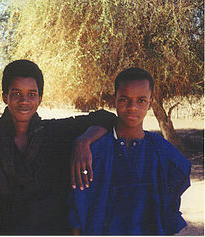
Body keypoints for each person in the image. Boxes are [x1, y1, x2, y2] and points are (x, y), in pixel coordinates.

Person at [0, 59, 117, 235]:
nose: (24, 100)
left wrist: (84, 142)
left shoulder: (55, 134)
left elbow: (107, 118)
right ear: (5, 97)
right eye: (16, 93)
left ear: (40, 98)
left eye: (31, 94)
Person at [68, 67, 191, 235]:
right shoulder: (93, 153)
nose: (132, 107)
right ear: (115, 100)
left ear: (150, 102)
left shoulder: (163, 153)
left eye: (141, 100)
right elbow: (78, 213)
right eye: (125, 99)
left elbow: (169, 213)